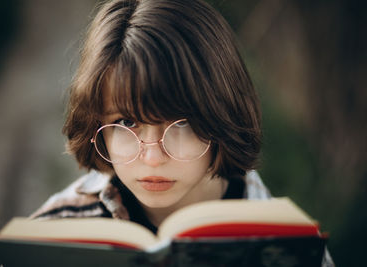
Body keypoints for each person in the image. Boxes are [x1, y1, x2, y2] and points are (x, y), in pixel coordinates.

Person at [31, 0, 334, 266]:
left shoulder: (288, 246)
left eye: (183, 123)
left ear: (222, 116)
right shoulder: (52, 233)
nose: (152, 158)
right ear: (96, 124)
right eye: (126, 123)